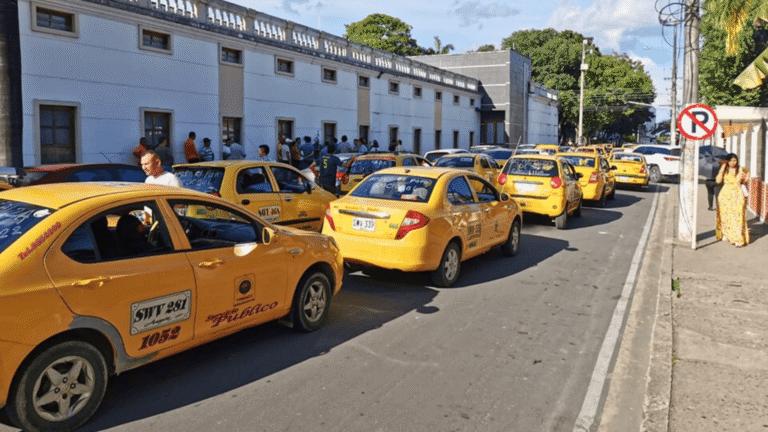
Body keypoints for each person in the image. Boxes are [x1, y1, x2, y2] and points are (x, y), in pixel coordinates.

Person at [715, 153, 750, 247]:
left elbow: (747, 176)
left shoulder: (741, 169)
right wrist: (722, 168)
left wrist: (745, 179)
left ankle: (738, 239)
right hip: (725, 195)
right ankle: (727, 234)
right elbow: (718, 181)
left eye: (734, 160)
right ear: (727, 161)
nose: (732, 163)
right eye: (730, 161)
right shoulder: (725, 170)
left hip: (737, 195)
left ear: (737, 161)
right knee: (725, 216)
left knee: (738, 216)